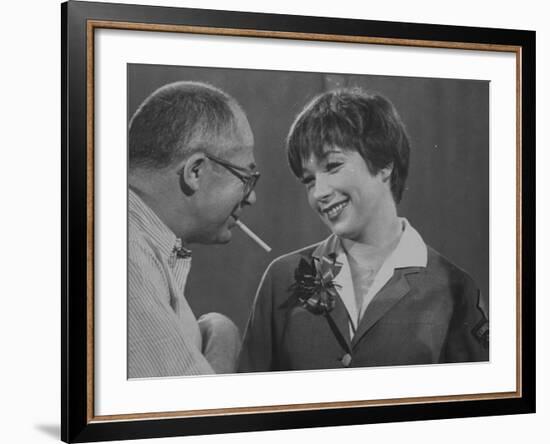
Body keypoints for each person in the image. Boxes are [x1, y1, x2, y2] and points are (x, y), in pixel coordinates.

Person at [239, 88, 488, 372]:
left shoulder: (453, 287)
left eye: (332, 166)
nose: (319, 192)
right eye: (308, 180)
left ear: (384, 165)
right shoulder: (280, 279)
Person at [128, 81, 260, 378]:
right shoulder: (125, 256)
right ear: (195, 171)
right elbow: (192, 414)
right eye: (246, 177)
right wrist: (222, 335)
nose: (252, 197)